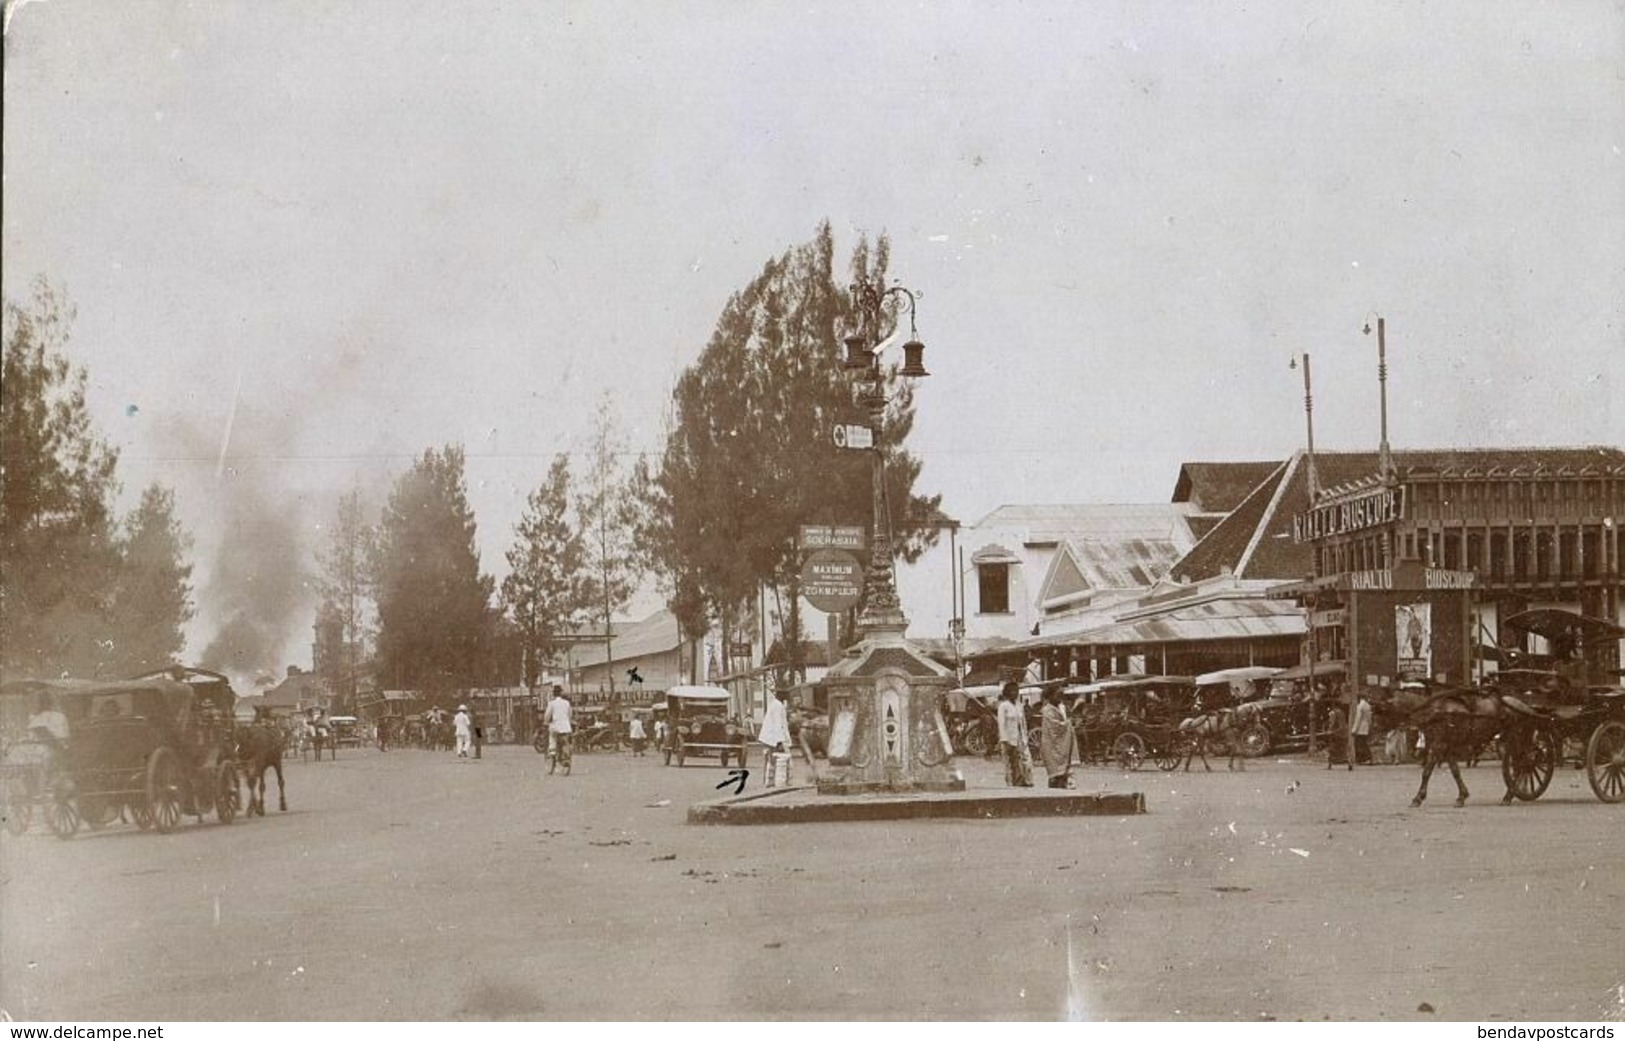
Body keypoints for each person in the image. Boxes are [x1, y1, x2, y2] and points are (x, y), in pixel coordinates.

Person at [997, 682, 1032, 787]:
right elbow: (1001, 723)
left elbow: (1023, 722)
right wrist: (1004, 739)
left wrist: (1025, 735)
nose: (1015, 693)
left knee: (1025, 759)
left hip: (1020, 737)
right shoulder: (1003, 706)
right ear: (1007, 693)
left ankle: (1025, 779)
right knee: (1010, 761)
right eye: (1012, 691)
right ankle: (1012, 782)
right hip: (1008, 738)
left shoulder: (1019, 706)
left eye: (1016, 691)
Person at [1039, 686, 1075, 788]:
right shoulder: (1047, 710)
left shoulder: (1061, 707)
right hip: (1051, 743)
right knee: (1055, 772)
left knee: (1063, 770)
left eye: (1061, 695)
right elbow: (1054, 726)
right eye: (1058, 695)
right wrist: (1068, 724)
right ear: (1050, 696)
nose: (1060, 698)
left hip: (1062, 743)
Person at [757, 686, 791, 768]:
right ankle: (772, 777)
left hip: (771, 737)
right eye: (785, 694)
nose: (787, 696)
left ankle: (770, 776)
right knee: (775, 760)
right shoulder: (777, 706)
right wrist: (779, 741)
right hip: (772, 738)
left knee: (772, 759)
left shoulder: (776, 704)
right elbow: (777, 724)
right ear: (780, 695)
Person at [542, 686, 573, 759]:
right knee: (566, 739)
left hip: (556, 726)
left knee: (552, 736)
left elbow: (547, 715)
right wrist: (568, 721)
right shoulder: (567, 703)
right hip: (566, 726)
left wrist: (546, 722)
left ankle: (552, 751)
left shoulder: (552, 703)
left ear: (554, 694)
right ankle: (566, 754)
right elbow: (570, 714)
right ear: (561, 693)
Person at [1351, 691, 1373, 765]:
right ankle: (1368, 758)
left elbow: (1358, 718)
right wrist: (1370, 726)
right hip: (1366, 727)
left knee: (1358, 744)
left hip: (1360, 728)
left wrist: (1354, 729)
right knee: (1364, 743)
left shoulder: (1360, 706)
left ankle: (1362, 759)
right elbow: (1369, 718)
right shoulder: (1368, 706)